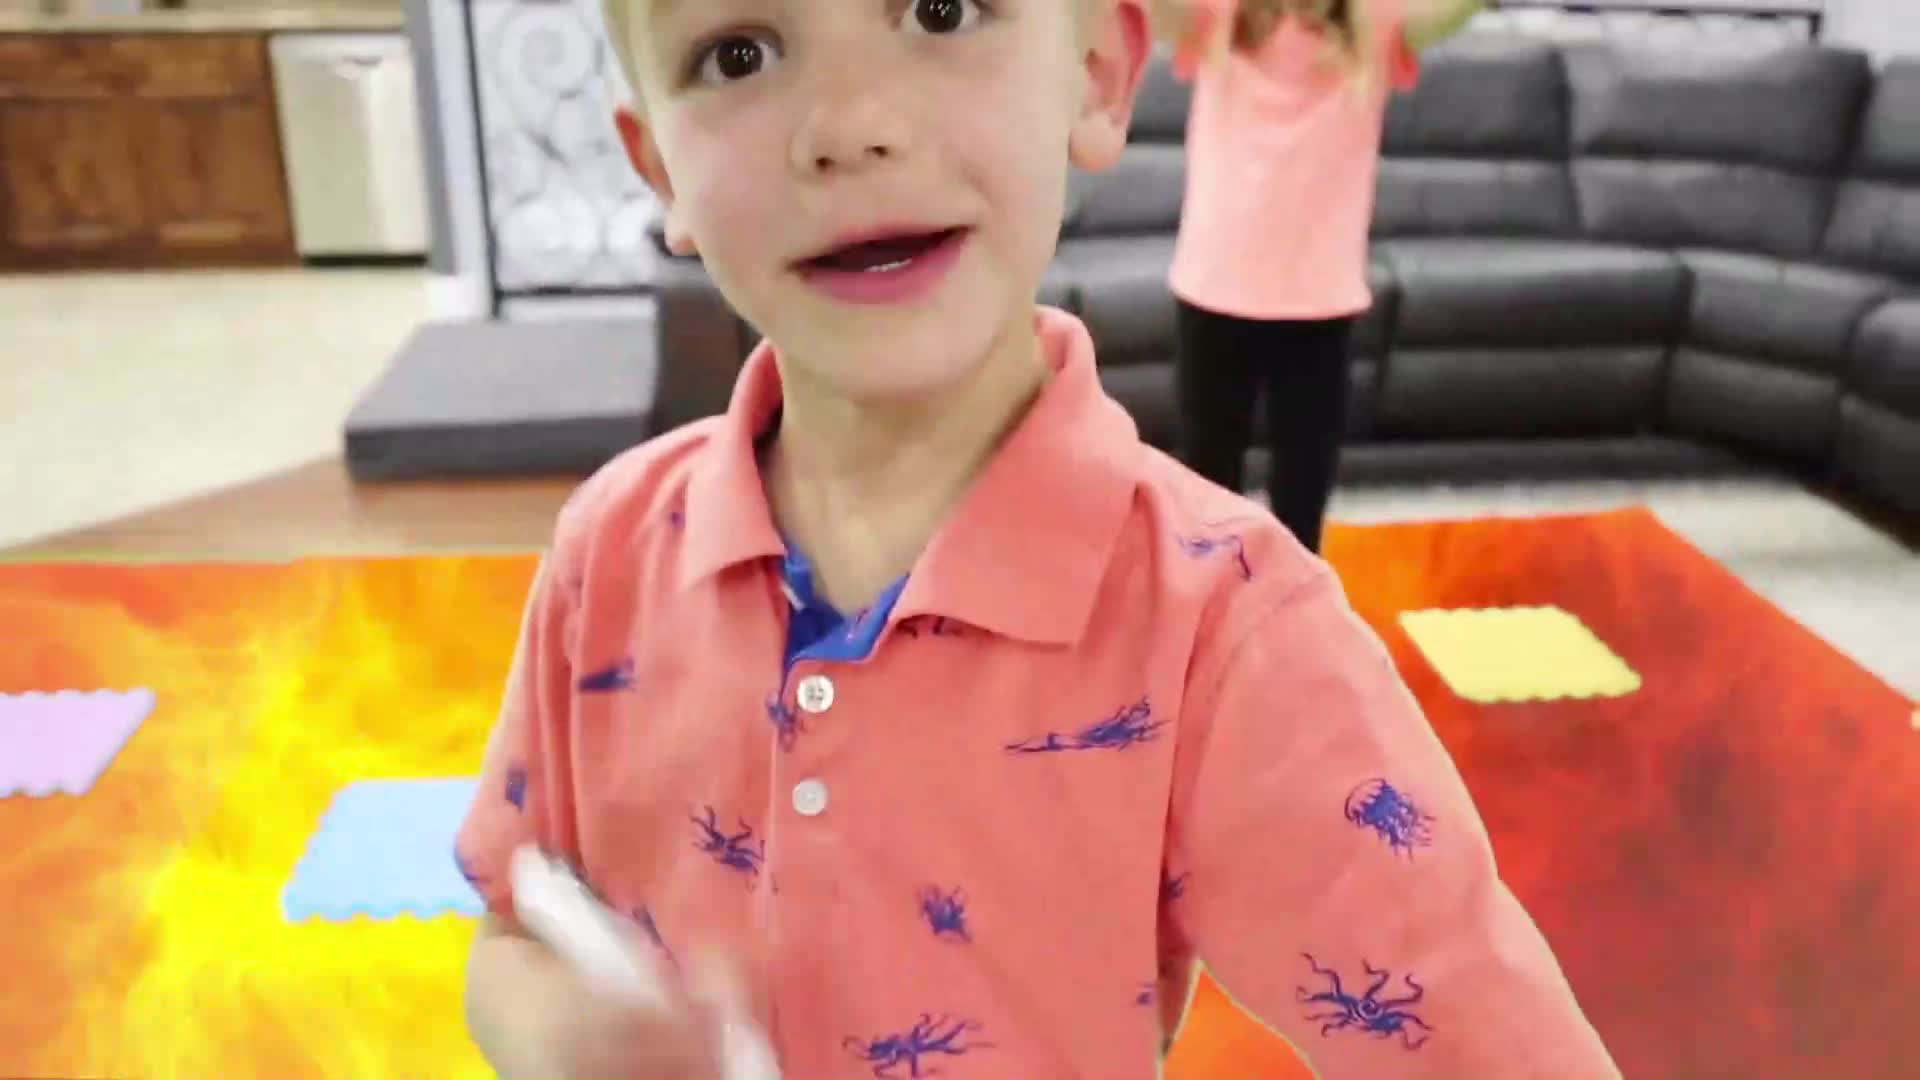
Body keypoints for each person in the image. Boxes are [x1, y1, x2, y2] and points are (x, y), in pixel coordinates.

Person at [452, 1, 1620, 1077]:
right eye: (739, 54)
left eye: (942, 10)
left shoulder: (1227, 631)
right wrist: (567, 1039)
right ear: (660, 165)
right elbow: (513, 921)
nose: (849, 127)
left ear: (1097, 71)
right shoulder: (608, 549)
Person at [1163, 0, 1483, 553]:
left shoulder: (1372, 21)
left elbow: (1448, 13)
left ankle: (1292, 605)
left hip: (1318, 302)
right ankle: (1210, 603)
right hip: (1215, 288)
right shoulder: (1223, 12)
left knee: (1301, 501)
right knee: (1206, 496)